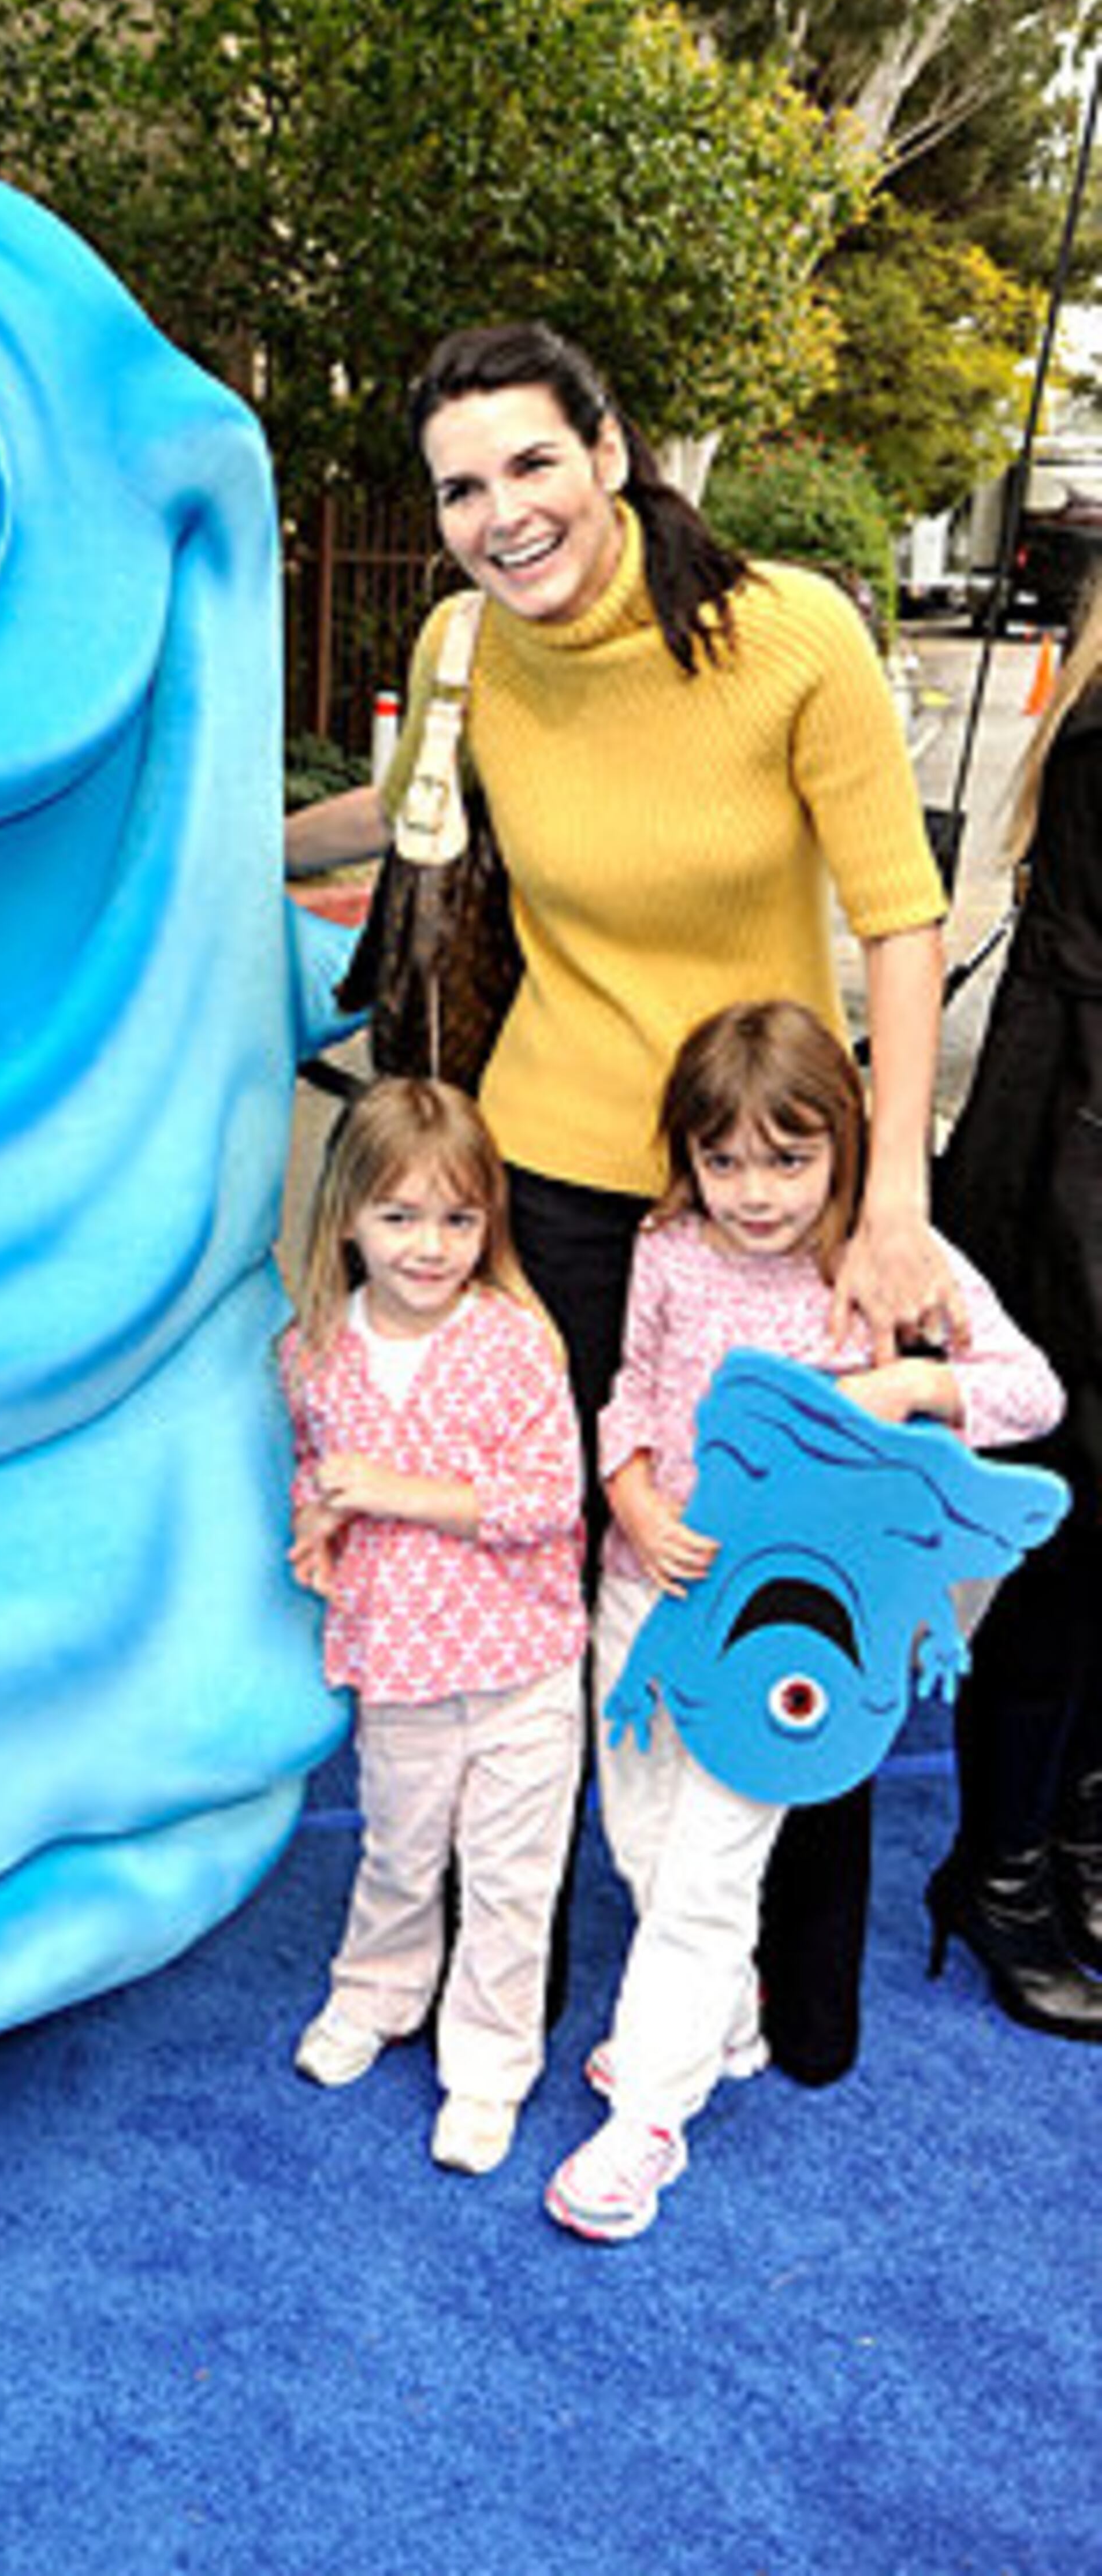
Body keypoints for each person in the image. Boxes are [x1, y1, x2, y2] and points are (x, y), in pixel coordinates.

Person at [286, 321, 964, 2086]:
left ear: (610, 449)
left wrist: (888, 1196)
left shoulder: (791, 633)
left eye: (531, 463)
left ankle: (775, 1985)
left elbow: (901, 917)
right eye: (459, 486)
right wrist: (212, 830)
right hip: (548, 1174)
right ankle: (515, 1963)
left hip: (760, 1181)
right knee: (550, 1559)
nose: (502, 514)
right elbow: (411, 817)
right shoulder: (461, 651)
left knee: (778, 1566)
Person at [544, 1002, 1062, 2242]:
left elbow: (1032, 1393)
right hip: (652, 1593)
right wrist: (628, 1495)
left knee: (710, 1876)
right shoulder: (670, 1247)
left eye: (788, 1158)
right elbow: (629, 1396)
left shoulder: (885, 1265)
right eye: (723, 1160)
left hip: (794, 1648)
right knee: (645, 1844)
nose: (754, 1192)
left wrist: (910, 1383)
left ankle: (647, 2122)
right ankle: (721, 2020)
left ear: (845, 1145)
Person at [280, 1077, 587, 2176]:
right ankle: (375, 1997)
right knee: (400, 1859)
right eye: (400, 1217)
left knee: (511, 1883)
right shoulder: (313, 1351)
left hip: (525, 1675)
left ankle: (491, 2069)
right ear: (348, 1216)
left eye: (459, 1219)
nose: (430, 1246)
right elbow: (323, 1473)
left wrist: (391, 1490)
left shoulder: (513, 1342)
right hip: (399, 1671)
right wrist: (319, 1519)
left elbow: (549, 1502)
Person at [927, 592, 1102, 2037]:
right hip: (1070, 1180)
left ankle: (1074, 1848)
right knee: (1074, 1545)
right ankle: (1004, 1874)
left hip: (1067, 1145)